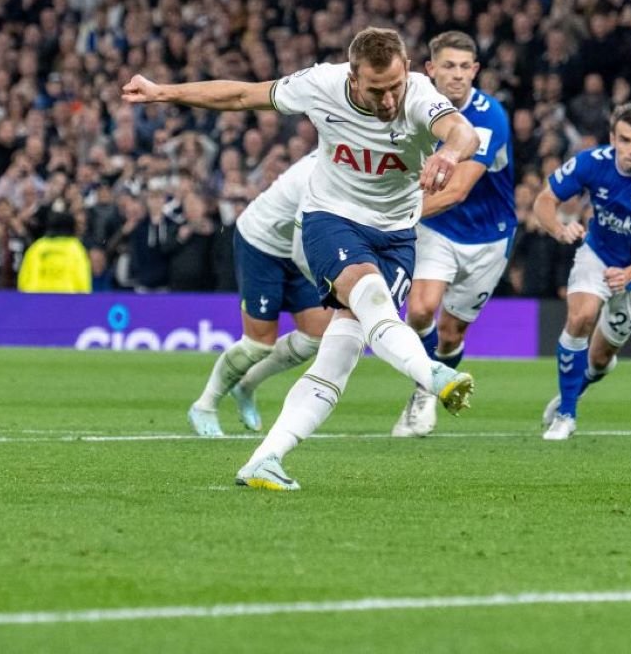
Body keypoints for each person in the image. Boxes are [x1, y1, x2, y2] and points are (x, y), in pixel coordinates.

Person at [122, 26, 481, 490]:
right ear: (353, 78)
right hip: (331, 218)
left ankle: (265, 459)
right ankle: (430, 374)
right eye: (376, 90)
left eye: (394, 86)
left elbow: (462, 132)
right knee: (368, 291)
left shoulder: (417, 96)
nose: (389, 100)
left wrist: (449, 154)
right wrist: (162, 92)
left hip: (395, 234)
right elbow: (240, 96)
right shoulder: (321, 85)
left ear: (407, 70)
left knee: (340, 355)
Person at [532, 103, 631, 440]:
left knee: (600, 358)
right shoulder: (591, 162)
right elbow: (543, 200)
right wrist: (560, 230)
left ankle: (576, 386)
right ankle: (566, 413)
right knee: (581, 318)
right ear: (612, 138)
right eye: (626, 140)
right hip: (598, 253)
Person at [393, 31, 515, 438]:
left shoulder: (489, 116)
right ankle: (426, 392)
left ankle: (431, 377)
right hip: (437, 230)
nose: (458, 75)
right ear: (430, 69)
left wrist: (389, 216)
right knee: (422, 310)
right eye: (448, 66)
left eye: (465, 67)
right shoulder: (417, 105)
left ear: (476, 70)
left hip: (488, 236)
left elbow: (457, 190)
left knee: (452, 332)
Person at [183, 151, 333, 438]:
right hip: (262, 244)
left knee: (316, 334)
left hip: (295, 247)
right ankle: (205, 405)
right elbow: (305, 248)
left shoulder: (349, 165)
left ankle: (246, 386)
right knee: (258, 344)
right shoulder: (320, 176)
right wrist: (329, 282)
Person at [17, 210, 91, 293]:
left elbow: (24, 278)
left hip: (38, 299)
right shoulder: (75, 248)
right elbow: (82, 278)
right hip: (67, 300)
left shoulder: (37, 247)